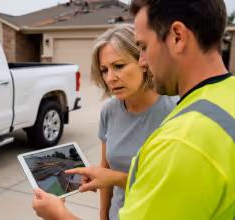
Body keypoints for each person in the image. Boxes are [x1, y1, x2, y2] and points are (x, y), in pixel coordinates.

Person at [32, 0, 235, 219]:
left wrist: (57, 214)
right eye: (104, 70)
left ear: (178, 36)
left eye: (145, 47)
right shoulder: (224, 97)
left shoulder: (179, 141)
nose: (143, 61)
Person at [91, 24, 177, 220]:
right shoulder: (108, 111)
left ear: (144, 61)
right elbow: (106, 166)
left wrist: (117, 179)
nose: (110, 78)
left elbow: (174, 184)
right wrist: (104, 214)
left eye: (119, 66)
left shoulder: (176, 110)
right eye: (104, 70)